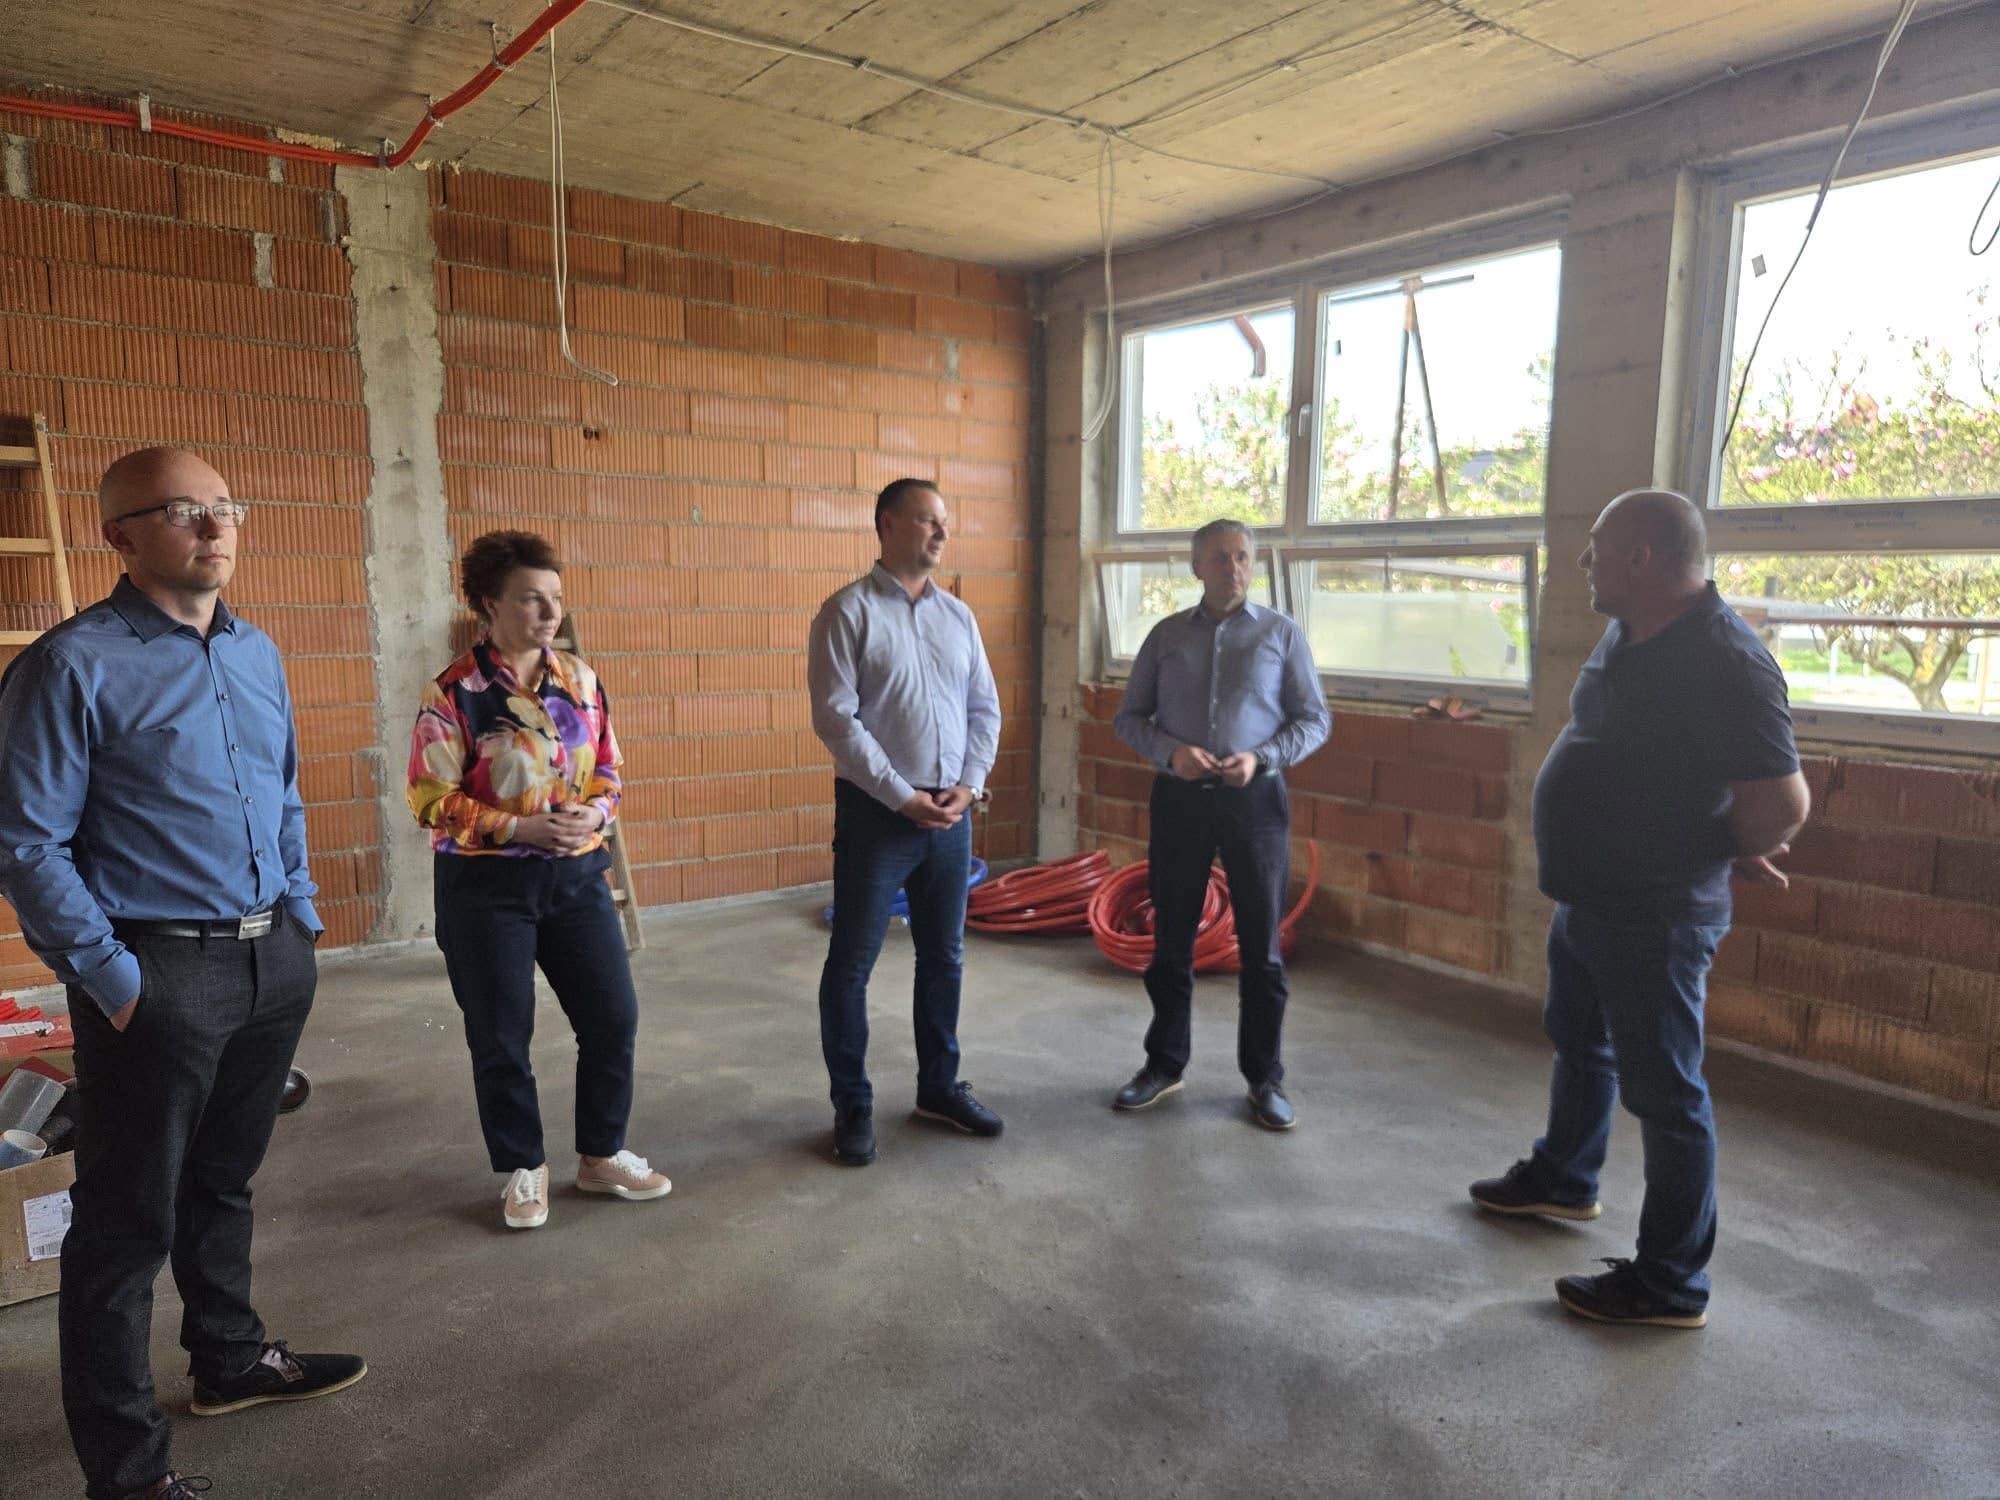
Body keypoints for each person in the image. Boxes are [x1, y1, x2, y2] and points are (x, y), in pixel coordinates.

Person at [0, 447, 365, 1500]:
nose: (215, 527)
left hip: (270, 959)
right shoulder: (71, 665)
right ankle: (126, 1474)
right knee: (125, 1225)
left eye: (224, 506)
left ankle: (229, 1359)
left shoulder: (256, 651)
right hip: (158, 971)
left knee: (223, 1182)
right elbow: (25, 843)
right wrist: (115, 980)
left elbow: (283, 795)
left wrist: (300, 919)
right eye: (181, 511)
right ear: (117, 535)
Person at [1471, 489, 1808, 1329]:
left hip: (1655, 913)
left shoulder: (1728, 661)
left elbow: (1784, 802)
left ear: (1641, 558)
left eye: (1596, 546)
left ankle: (1670, 1283)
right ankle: (1565, 1178)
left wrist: (1727, 842)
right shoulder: (1628, 630)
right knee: (1580, 1043)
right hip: (1591, 897)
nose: (1584, 561)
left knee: (1667, 1095)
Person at [408, 530, 669, 1230]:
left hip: (576, 877)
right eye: (531, 598)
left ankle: (602, 1153)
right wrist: (517, 828)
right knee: (501, 1034)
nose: (550, 611)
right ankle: (523, 1167)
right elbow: (429, 799)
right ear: (490, 604)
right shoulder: (453, 692)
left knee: (612, 1017)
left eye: (555, 596)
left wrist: (597, 812)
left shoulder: (580, 679)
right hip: (485, 889)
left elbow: (609, 769)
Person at [1110, 518, 1331, 1130]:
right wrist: (1170, 753)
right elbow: (1129, 718)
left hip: (1255, 802)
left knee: (1261, 949)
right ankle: (1164, 1064)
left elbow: (1314, 719)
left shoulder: (1281, 634)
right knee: (1171, 940)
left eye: (1241, 557)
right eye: (1218, 558)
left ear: (1252, 564)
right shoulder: (1166, 636)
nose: (1232, 568)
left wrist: (1263, 758)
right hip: (1179, 799)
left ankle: (1265, 1078)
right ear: (1195, 566)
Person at [808, 478, 1004, 1166]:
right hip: (878, 817)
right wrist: (900, 796)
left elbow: (984, 709)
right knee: (852, 964)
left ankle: (938, 1088)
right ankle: (852, 1105)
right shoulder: (847, 613)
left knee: (944, 956)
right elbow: (837, 721)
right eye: (927, 520)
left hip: (951, 815)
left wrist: (969, 786)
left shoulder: (959, 617)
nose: (941, 533)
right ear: (887, 525)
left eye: (944, 522)